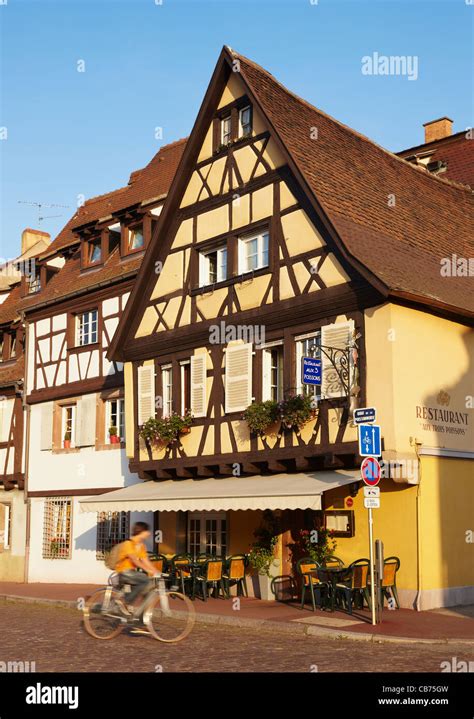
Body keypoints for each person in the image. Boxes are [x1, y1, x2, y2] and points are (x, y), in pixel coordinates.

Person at [115, 521, 160, 611]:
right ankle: (126, 601)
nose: (149, 533)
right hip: (124, 572)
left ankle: (140, 616)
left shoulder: (141, 545)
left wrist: (155, 570)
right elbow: (134, 560)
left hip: (132, 572)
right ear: (141, 531)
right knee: (145, 581)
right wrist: (148, 570)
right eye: (147, 531)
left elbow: (145, 560)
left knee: (148, 589)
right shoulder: (128, 543)